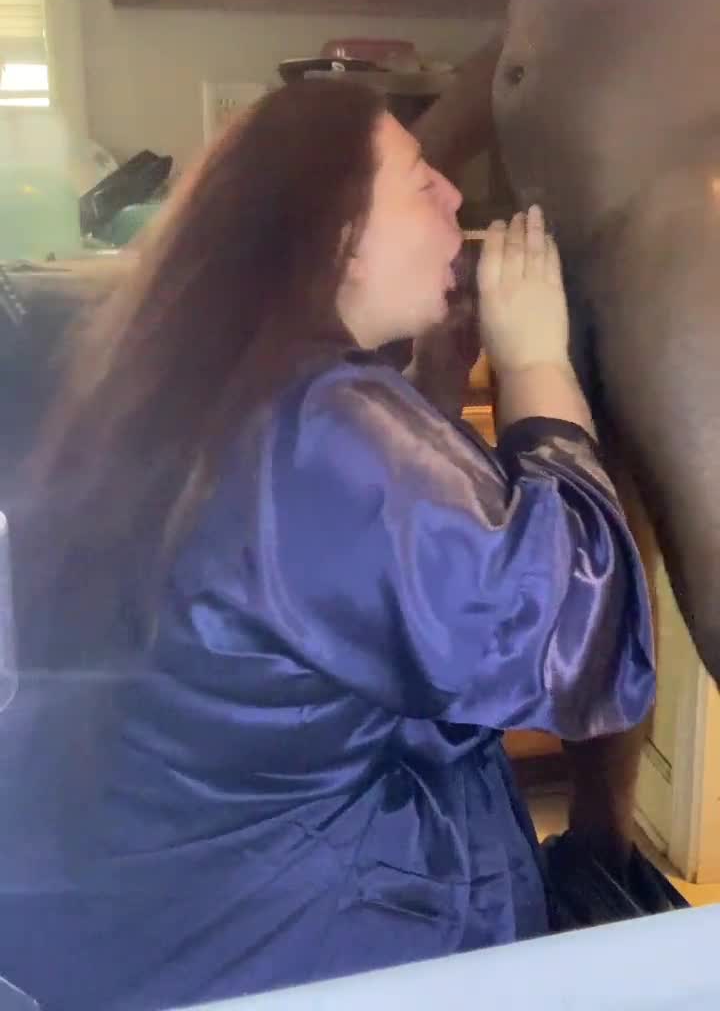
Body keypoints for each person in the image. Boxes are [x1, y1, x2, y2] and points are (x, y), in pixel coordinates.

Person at [0, 78, 654, 1011]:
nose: (455, 196)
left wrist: (432, 396)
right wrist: (537, 364)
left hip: (150, 924)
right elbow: (570, 629)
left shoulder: (213, 378)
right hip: (294, 953)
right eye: (421, 179)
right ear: (340, 236)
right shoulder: (322, 425)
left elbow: (349, 594)